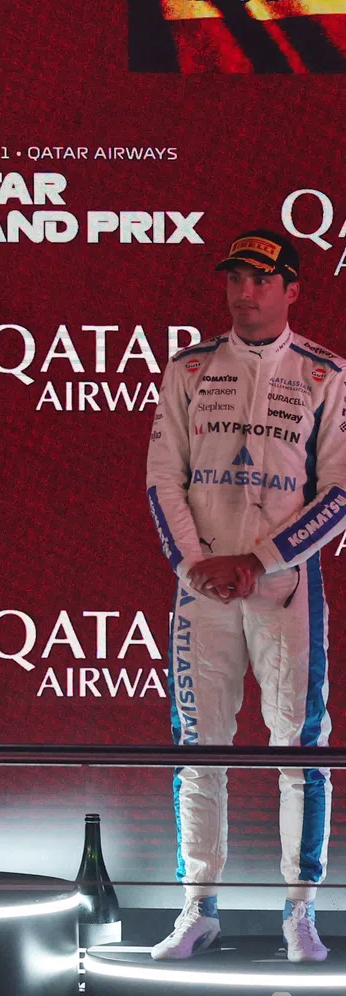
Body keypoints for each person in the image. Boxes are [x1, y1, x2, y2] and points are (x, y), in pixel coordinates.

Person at [146, 229, 345, 962]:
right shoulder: (190, 368)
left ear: (292, 290)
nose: (244, 291)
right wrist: (196, 563)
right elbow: (162, 476)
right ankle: (198, 907)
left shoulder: (326, 373)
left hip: (284, 588)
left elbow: (342, 492)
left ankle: (301, 911)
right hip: (201, 589)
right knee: (201, 747)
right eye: (236, 277)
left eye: (262, 279)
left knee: (301, 745)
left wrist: (258, 561)